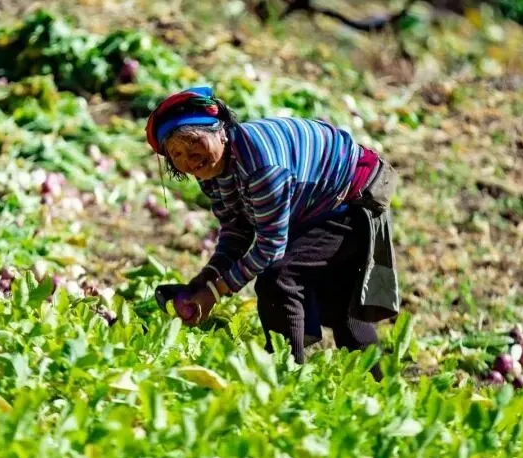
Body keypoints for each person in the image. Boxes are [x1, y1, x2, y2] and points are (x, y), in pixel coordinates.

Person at [147, 86, 400, 379]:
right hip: (313, 206)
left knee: (280, 278)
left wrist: (215, 292)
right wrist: (203, 280)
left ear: (220, 131)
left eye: (194, 144)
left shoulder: (261, 165)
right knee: (340, 304)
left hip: (352, 200)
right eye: (177, 154)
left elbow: (270, 246)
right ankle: (377, 387)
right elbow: (237, 232)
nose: (189, 160)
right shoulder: (213, 172)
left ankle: (285, 377)